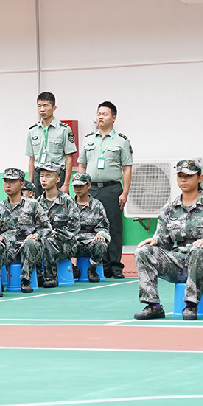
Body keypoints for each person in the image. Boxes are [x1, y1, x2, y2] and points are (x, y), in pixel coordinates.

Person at [134, 159, 203, 320]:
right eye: (180, 176)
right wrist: (154, 241)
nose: (184, 179)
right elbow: (163, 238)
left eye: (188, 176)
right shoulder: (169, 209)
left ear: (199, 178)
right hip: (179, 260)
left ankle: (191, 305)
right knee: (143, 251)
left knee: (198, 251)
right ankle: (153, 305)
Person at [77, 101, 133, 279]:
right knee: (90, 227)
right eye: (98, 113)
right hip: (90, 189)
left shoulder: (121, 141)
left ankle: (115, 266)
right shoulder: (88, 139)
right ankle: (99, 264)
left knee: (114, 227)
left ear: (114, 118)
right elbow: (82, 165)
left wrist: (124, 193)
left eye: (105, 114)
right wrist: (80, 187)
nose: (100, 116)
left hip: (111, 188)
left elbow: (127, 168)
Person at [1, 167, 51, 293]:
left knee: (30, 243)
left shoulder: (33, 204)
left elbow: (46, 228)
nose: (8, 184)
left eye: (12, 181)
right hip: (8, 247)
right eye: (6, 181)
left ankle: (25, 280)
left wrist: (36, 235)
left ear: (22, 184)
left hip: (28, 247)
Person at [37, 163, 80, 288]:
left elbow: (74, 227)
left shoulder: (67, 201)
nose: (44, 179)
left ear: (58, 179)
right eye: (41, 176)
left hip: (65, 244)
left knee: (48, 240)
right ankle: (36, 275)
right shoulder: (37, 202)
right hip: (44, 242)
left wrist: (55, 234)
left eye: (48, 176)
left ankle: (51, 277)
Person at [25, 92, 76, 196]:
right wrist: (30, 185)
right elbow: (31, 160)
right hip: (39, 176)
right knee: (39, 210)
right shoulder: (32, 131)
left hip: (57, 177)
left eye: (45, 105)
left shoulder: (64, 129)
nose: (42, 109)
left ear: (54, 108)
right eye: (39, 106)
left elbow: (69, 158)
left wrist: (66, 183)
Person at [70, 172, 108, 283]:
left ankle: (92, 269)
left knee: (101, 244)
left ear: (89, 186)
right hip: (73, 243)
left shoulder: (97, 205)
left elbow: (104, 226)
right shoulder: (68, 204)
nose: (78, 189)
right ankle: (72, 268)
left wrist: (101, 234)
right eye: (75, 186)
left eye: (81, 186)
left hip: (91, 242)